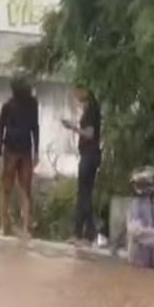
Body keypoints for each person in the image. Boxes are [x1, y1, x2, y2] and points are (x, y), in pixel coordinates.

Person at [0, 75, 40, 236]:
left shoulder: (11, 105)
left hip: (14, 150)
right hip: (21, 150)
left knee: (9, 189)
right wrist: (36, 151)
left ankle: (8, 226)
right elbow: (35, 128)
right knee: (22, 190)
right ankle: (21, 227)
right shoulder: (27, 105)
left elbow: (0, 129)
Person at [62, 85, 102, 246]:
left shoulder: (91, 110)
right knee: (85, 194)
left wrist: (73, 128)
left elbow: (90, 134)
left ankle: (84, 233)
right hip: (89, 154)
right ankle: (85, 233)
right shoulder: (89, 109)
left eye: (77, 91)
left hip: (90, 155)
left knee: (84, 194)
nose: (76, 96)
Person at [126, 167, 154, 269]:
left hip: (149, 247)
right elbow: (135, 230)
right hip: (138, 247)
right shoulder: (135, 204)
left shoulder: (150, 203)